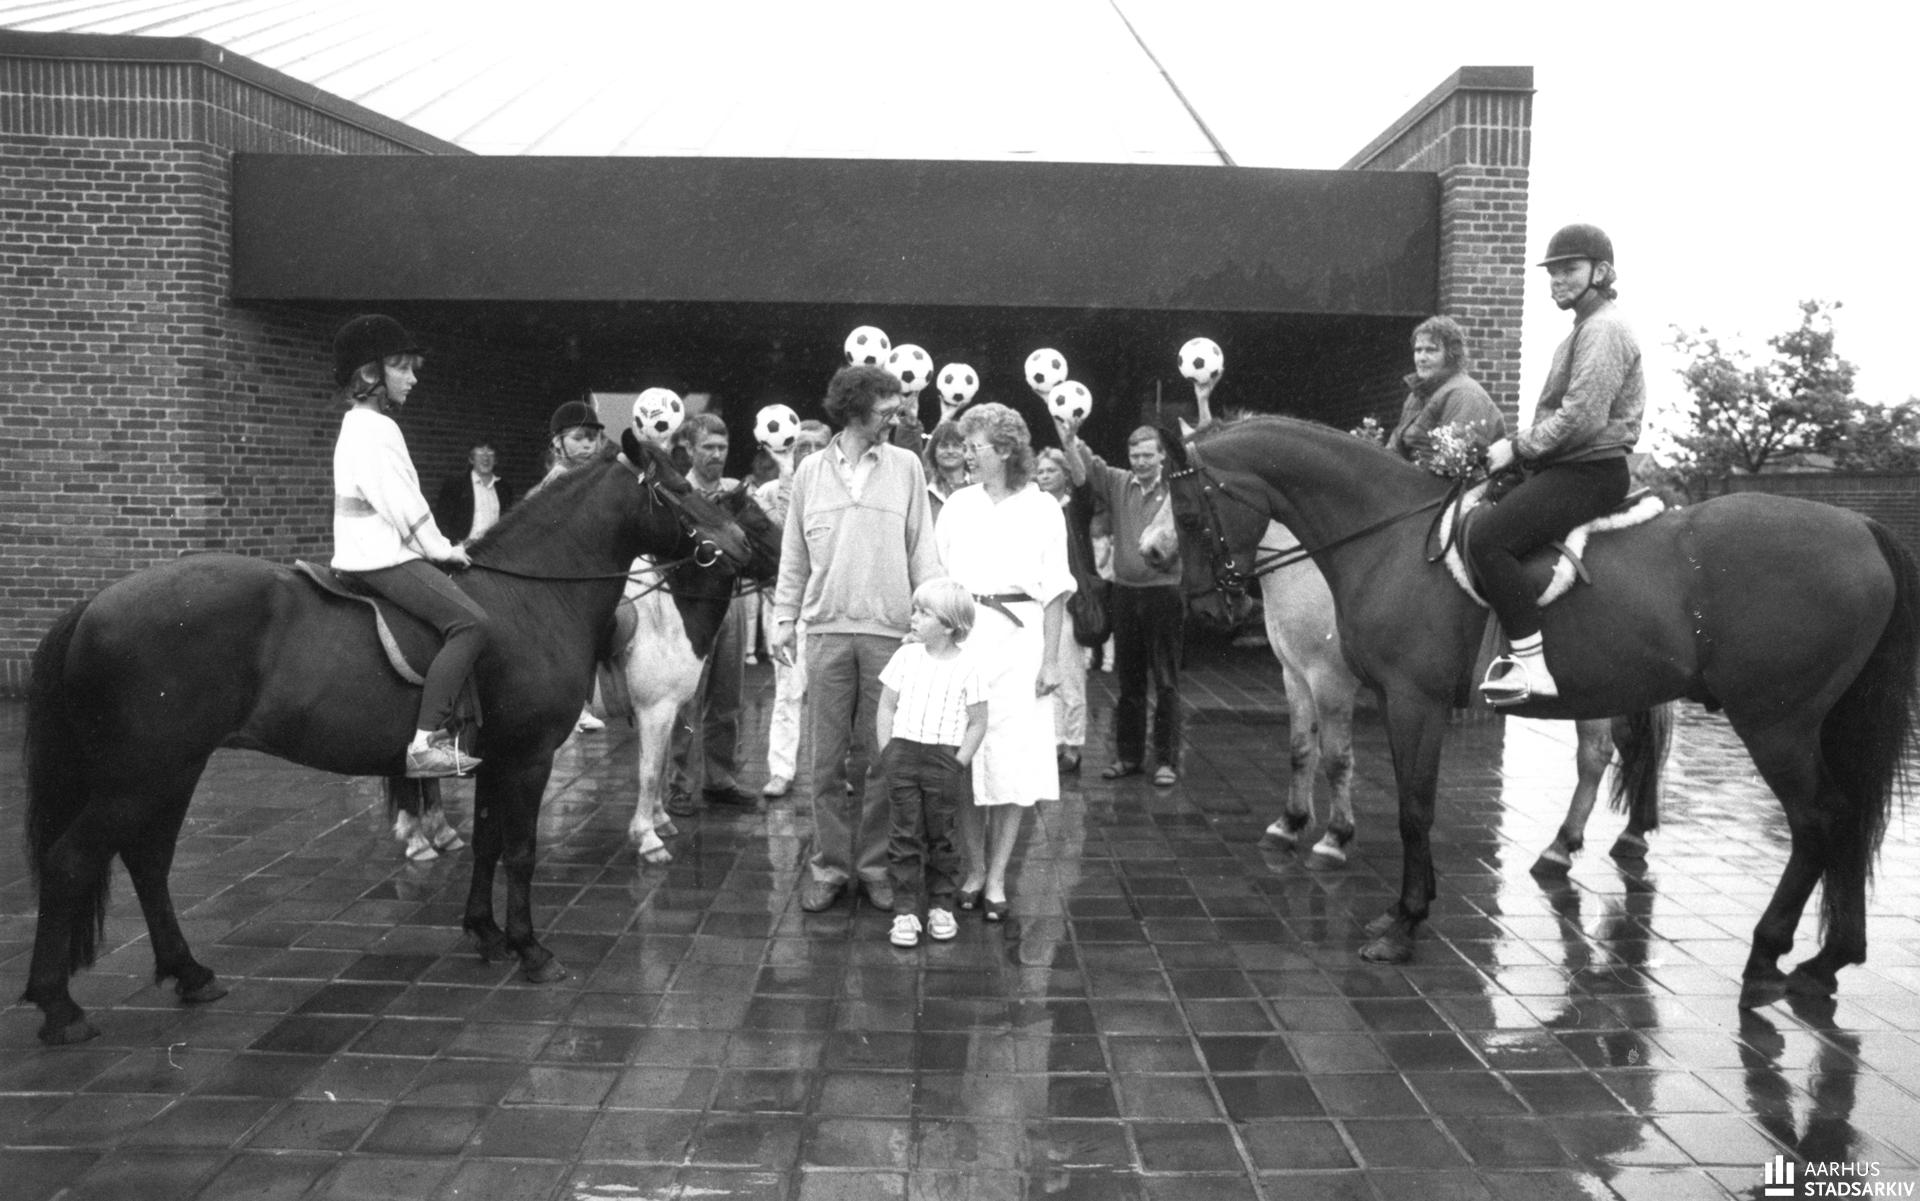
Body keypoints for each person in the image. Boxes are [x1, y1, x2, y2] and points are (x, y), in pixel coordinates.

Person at [772, 365, 941, 914]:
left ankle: (874, 869)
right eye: (885, 409)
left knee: (883, 760)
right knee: (823, 764)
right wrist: (783, 619)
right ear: (853, 409)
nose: (895, 418)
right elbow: (793, 555)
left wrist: (932, 623)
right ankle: (828, 868)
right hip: (824, 634)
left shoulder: (907, 466)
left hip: (890, 636)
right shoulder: (810, 472)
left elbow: (923, 551)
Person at [1472, 223, 1645, 705]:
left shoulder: (1604, 329)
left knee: (1488, 540)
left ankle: (1531, 666)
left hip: (1590, 471)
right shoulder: (1584, 329)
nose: (1558, 280)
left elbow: (1582, 418)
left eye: (1569, 269)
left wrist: (1517, 448)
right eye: (1553, 272)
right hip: (1570, 466)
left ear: (1601, 272)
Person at [328, 314, 489, 778]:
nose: (412, 378)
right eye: (401, 367)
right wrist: (442, 549)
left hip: (362, 553)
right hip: (381, 559)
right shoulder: (378, 429)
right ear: (369, 374)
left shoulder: (356, 425)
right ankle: (425, 742)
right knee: (472, 623)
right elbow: (403, 503)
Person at [938, 403, 1074, 922]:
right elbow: (938, 577)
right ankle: (973, 870)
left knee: (1014, 760)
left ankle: (996, 877)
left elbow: (1057, 590)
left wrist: (1051, 662)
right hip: (965, 638)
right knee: (967, 757)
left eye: (974, 447)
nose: (967, 455)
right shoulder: (958, 505)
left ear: (1005, 450)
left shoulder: (1043, 508)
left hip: (1021, 643)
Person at [1067, 423, 1184, 786]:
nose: (1141, 462)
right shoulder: (1118, 482)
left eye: (1148, 455)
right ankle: (1128, 757)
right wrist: (1067, 437)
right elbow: (1085, 463)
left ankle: (1166, 761)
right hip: (1125, 592)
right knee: (1129, 681)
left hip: (1164, 592)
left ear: (1162, 456)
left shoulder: (1176, 489)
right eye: (1135, 455)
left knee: (1166, 682)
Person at [876, 578, 988, 947]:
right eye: (916, 610)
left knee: (943, 836)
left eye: (924, 613)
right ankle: (906, 911)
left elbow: (978, 721)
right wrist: (888, 752)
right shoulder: (905, 657)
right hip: (904, 754)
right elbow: (886, 706)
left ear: (950, 625)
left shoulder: (969, 666)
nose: (914, 618)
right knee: (904, 834)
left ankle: (941, 906)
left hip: (944, 760)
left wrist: (958, 763)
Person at [667, 412, 758, 813]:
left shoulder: (737, 490)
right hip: (690, 605)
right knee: (686, 700)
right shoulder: (677, 491)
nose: (717, 455)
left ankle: (720, 778)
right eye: (708, 447)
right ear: (689, 448)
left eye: (722, 447)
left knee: (727, 697)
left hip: (731, 602)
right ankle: (679, 784)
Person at [757, 419, 831, 799]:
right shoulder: (770, 491)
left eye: (818, 446)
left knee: (830, 695)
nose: (810, 453)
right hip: (785, 605)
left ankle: (830, 771)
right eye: (802, 446)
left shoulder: (838, 489)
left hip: (828, 606)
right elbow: (779, 540)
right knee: (787, 692)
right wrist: (787, 477)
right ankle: (781, 770)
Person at [531, 399, 609, 732]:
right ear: (557, 443)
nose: (588, 445)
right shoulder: (559, 481)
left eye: (593, 437)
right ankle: (573, 708)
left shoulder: (586, 477)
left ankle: (582, 706)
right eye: (579, 437)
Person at [1033, 447, 1091, 775]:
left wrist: (1069, 440)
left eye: (1051, 471)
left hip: (1070, 602)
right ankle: (1054, 742)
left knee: (1070, 678)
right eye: (1040, 471)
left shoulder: (1074, 508)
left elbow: (1084, 485)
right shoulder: (1033, 509)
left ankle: (1074, 743)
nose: (1044, 476)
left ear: (1064, 474)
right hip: (1040, 602)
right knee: (1046, 675)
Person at [1386, 316, 1506, 466]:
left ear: (1451, 355)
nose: (1421, 358)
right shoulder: (1416, 395)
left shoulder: (1464, 394)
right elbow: (1394, 450)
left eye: (1431, 350)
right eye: (1418, 350)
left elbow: (1454, 464)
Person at [432, 441, 516, 546]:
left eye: (490, 454)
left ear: (496, 460)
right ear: (471, 459)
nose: (485, 458)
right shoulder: (456, 485)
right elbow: (441, 522)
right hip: (463, 551)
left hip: (493, 551)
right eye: (480, 454)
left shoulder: (504, 489)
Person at [921, 420, 969, 522]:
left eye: (956, 445)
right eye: (944, 446)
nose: (950, 451)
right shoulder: (924, 487)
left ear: (966, 451)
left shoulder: (980, 485)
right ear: (933, 451)